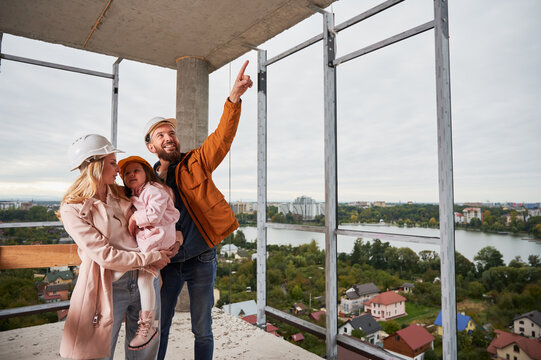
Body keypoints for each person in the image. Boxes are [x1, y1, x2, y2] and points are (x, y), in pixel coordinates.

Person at [144, 60, 252, 360]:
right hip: (165, 263)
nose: (169, 138)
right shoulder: (145, 182)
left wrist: (233, 98)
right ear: (151, 147)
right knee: (159, 326)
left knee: (202, 329)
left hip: (202, 257)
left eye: (171, 134)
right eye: (161, 136)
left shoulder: (196, 162)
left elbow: (221, 138)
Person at [58, 134, 174, 360]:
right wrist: (151, 257)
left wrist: (174, 242)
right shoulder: (72, 209)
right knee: (100, 351)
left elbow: (162, 214)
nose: (119, 169)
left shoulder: (122, 193)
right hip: (110, 285)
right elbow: (105, 255)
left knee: (145, 350)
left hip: (145, 280)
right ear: (95, 165)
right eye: (112, 162)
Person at [117, 156, 182, 351]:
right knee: (148, 279)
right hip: (155, 236)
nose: (130, 175)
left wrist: (135, 218)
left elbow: (153, 215)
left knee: (145, 279)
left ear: (147, 172)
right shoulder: (139, 192)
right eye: (126, 173)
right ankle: (147, 323)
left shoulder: (153, 190)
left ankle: (147, 326)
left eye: (136, 170)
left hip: (159, 237)